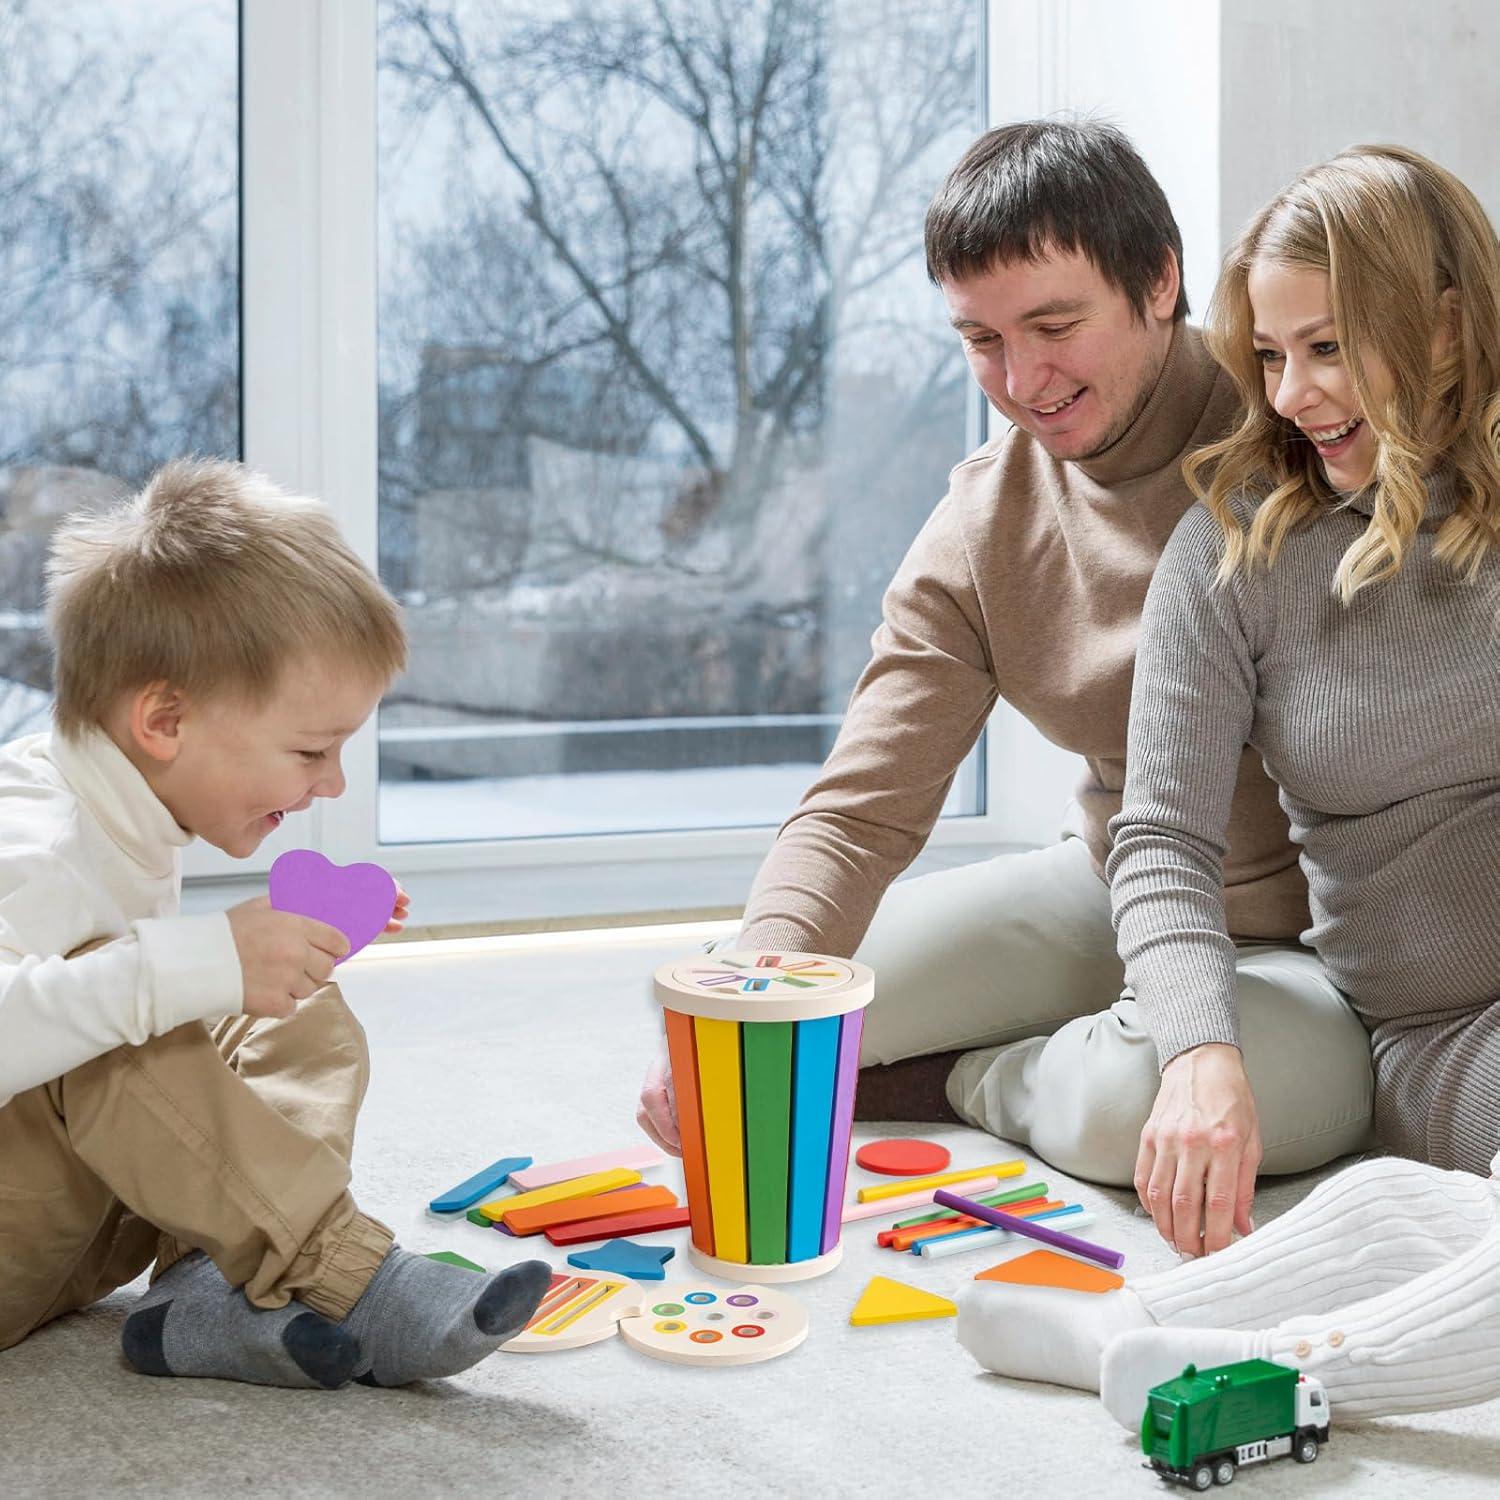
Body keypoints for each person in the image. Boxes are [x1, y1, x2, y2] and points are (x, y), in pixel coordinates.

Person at [638, 120, 1373, 1225]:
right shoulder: (987, 516)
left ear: (1160, 281)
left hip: (1304, 940)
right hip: (1109, 888)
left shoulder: (1306, 418)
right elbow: (859, 810)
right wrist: (755, 987)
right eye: (981, 339)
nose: (1022, 379)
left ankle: (977, 1079)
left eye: (1054, 324)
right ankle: (1064, 1032)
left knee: (1133, 1110)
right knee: (744, 996)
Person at [959, 144, 1500, 1427]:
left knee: (1403, 1207)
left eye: (1330, 347)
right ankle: (1238, 1365)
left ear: (1440, 325)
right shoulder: (1238, 541)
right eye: (1270, 355)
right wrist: (1201, 1051)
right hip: (1438, 1031)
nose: (1296, 393)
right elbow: (1160, 838)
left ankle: (1154, 1340)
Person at [0, 458, 550, 1388]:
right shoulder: (35, 841)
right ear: (164, 719)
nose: (331, 783)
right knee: (119, 1014)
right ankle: (343, 1271)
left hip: (73, 1236)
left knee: (287, 1006)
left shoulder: (128, 811)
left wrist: (251, 959)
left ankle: (208, 1290)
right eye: (310, 751)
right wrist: (191, 965)